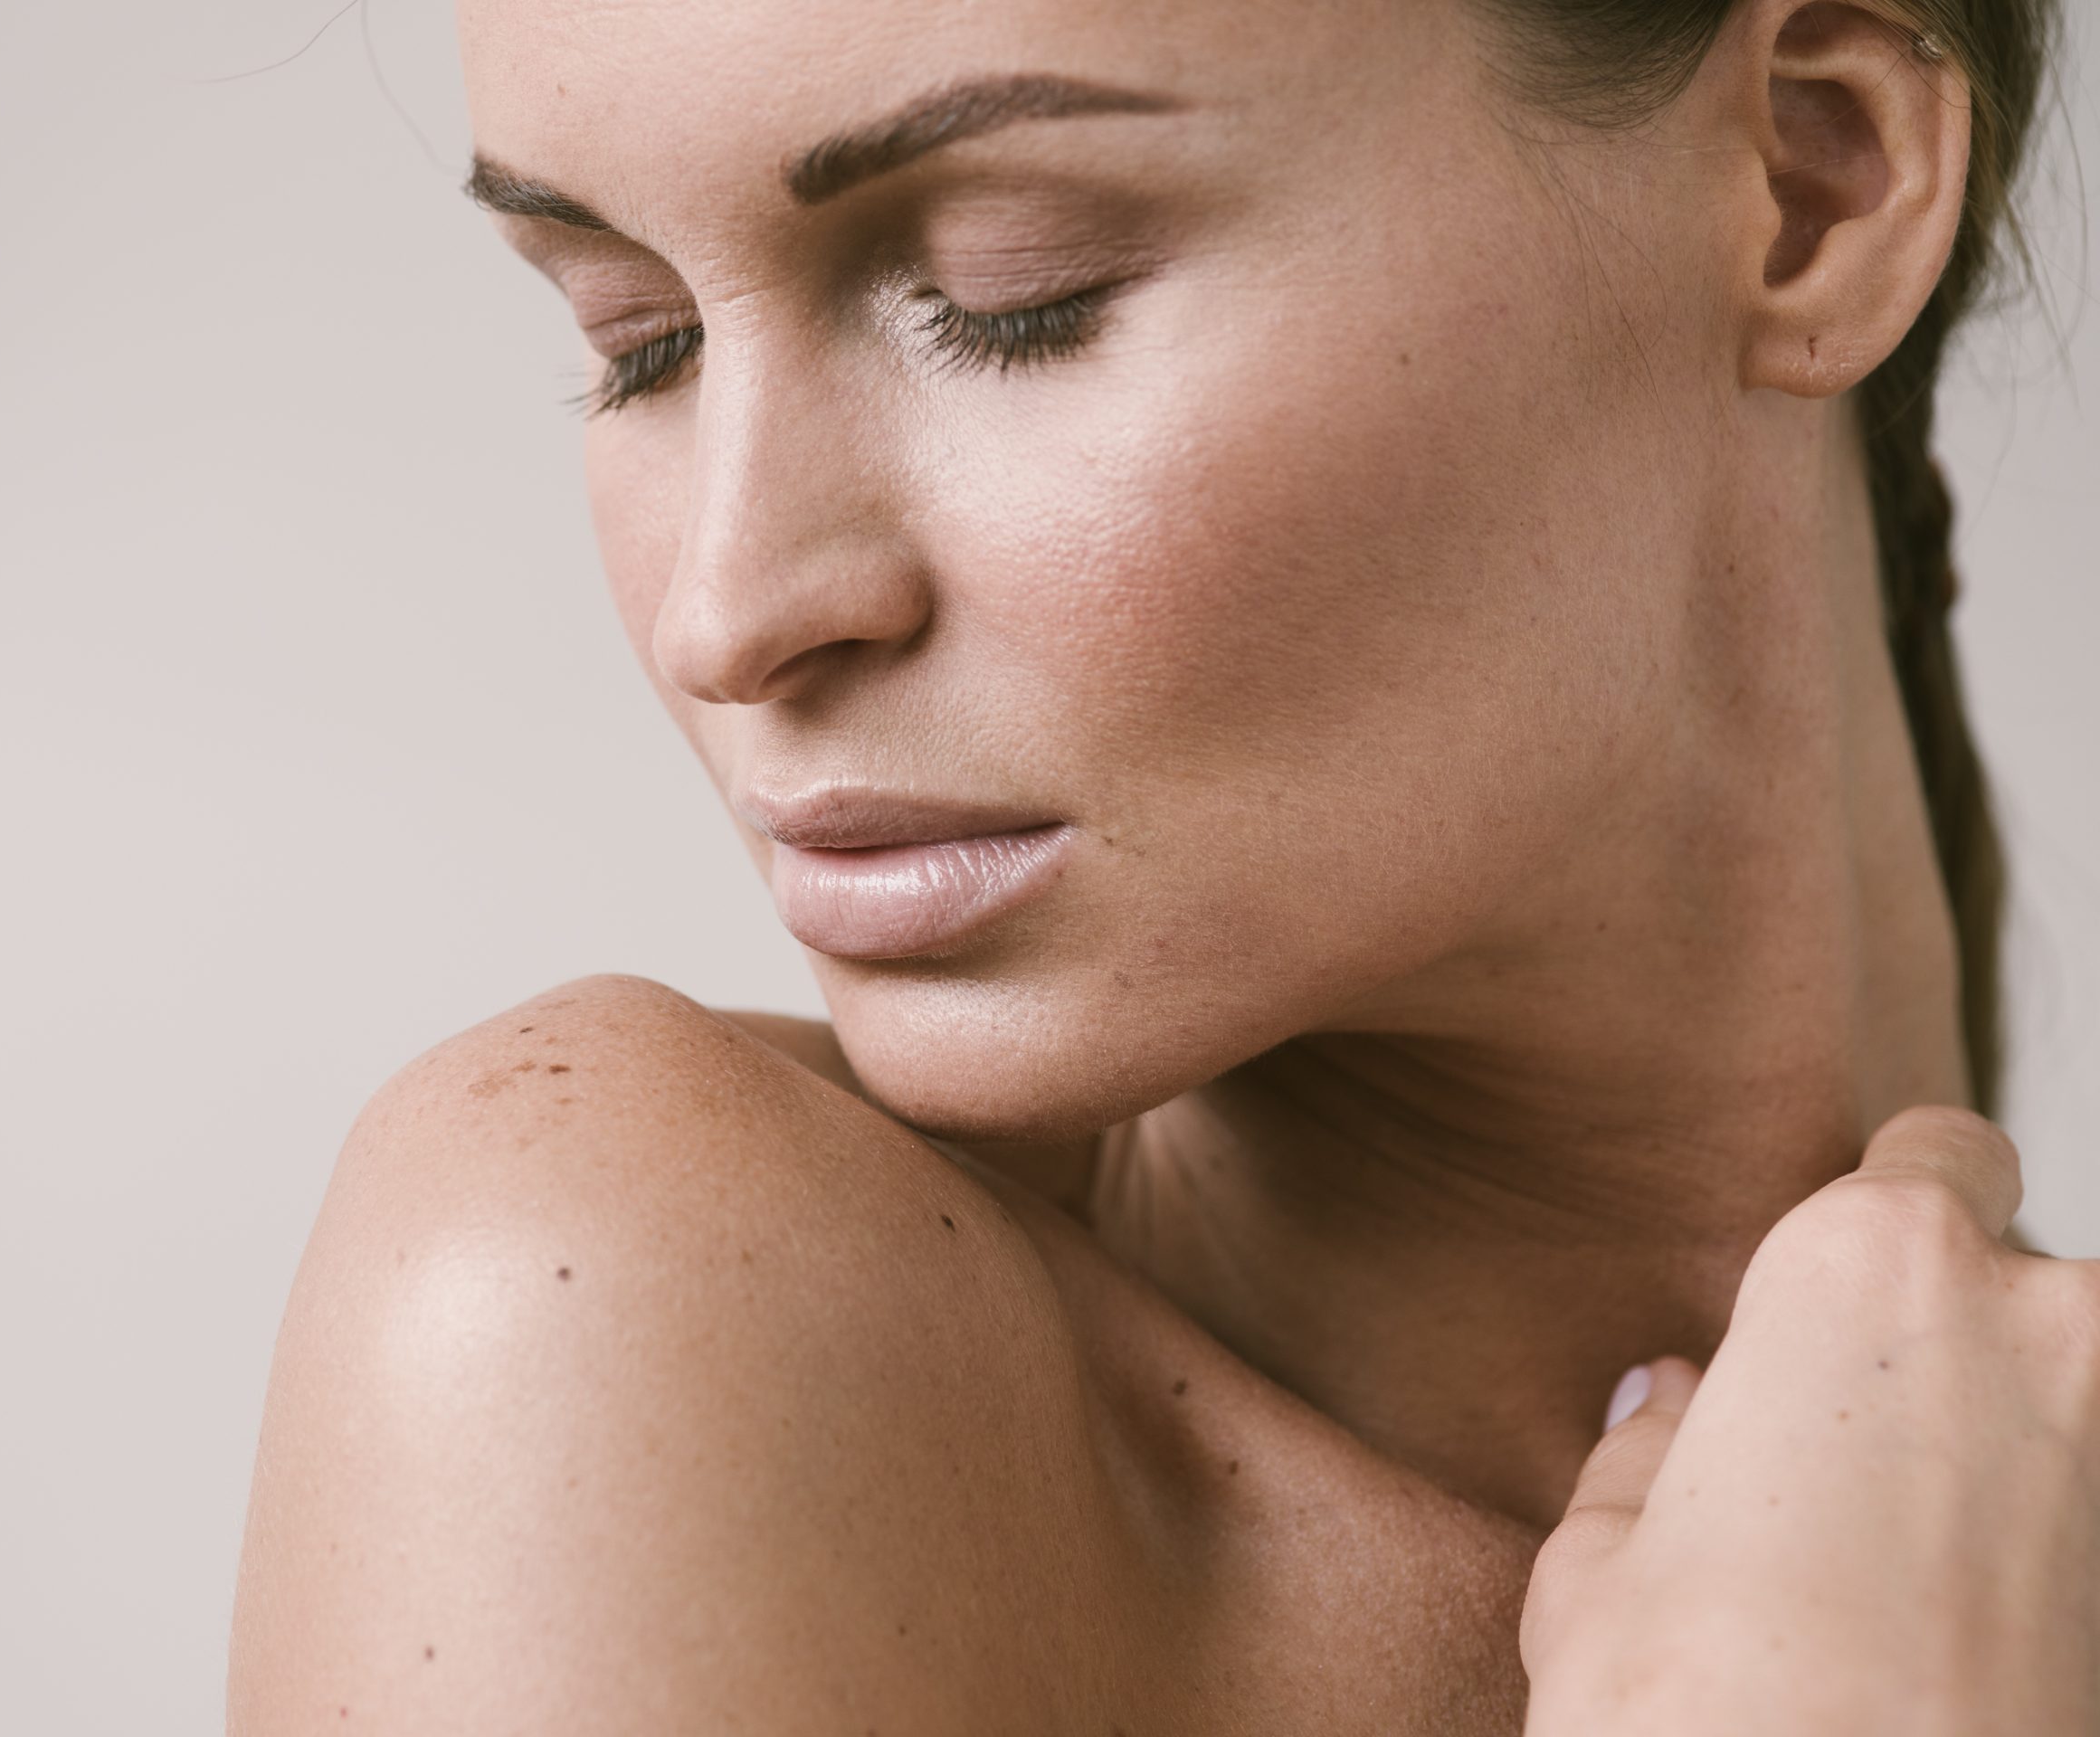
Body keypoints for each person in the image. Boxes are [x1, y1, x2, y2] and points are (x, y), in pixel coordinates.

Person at [228, 0, 2092, 1729]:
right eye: (638, 343)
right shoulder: (599, 1302)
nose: (727, 613)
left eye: (1006, 295)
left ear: (1806, 185)